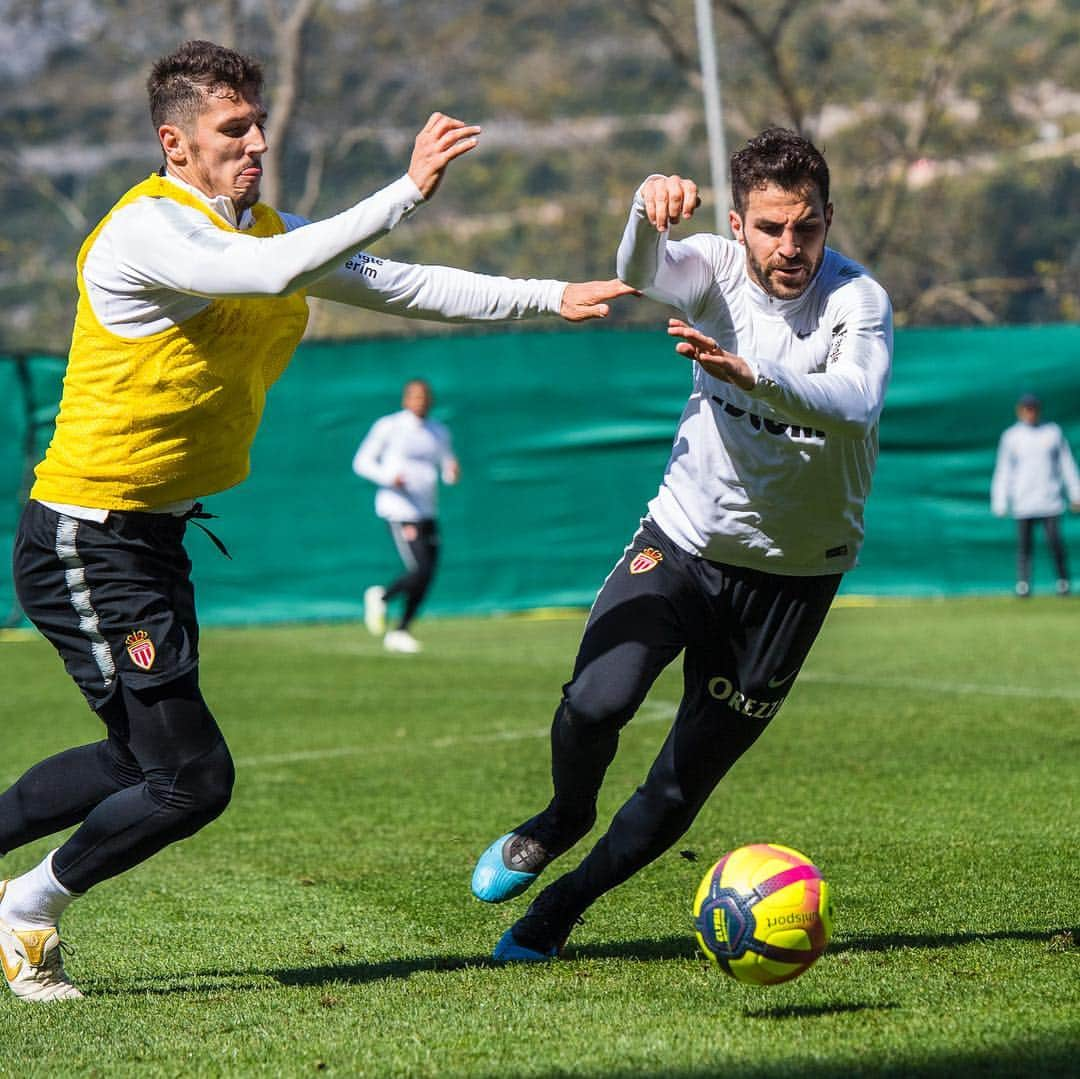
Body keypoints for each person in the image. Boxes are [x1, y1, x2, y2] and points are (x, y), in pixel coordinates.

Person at [1, 39, 635, 1001]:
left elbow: (401, 283)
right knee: (191, 781)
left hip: (148, 538)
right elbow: (273, 271)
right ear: (174, 142)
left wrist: (549, 295)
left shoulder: (260, 228)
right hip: (88, 537)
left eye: (257, 123)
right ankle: (27, 909)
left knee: (138, 759)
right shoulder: (147, 232)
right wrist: (406, 186)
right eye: (233, 128)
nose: (256, 140)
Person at [471, 128, 893, 961]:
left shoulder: (858, 299)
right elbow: (637, 271)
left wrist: (753, 376)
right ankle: (562, 817)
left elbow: (858, 399)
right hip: (685, 540)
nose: (790, 247)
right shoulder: (712, 267)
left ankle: (562, 906)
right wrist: (642, 207)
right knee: (596, 699)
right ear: (739, 225)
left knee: (679, 782)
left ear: (828, 219)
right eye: (771, 227)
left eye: (806, 227)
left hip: (793, 580)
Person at [354, 378, 459, 653]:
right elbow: (362, 462)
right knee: (420, 568)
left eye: (424, 397)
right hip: (399, 508)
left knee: (428, 572)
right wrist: (389, 477)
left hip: (427, 510)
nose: (420, 401)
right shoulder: (390, 426)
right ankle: (383, 597)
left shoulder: (438, 431)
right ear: (405, 399)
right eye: (414, 396)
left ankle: (400, 631)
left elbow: (446, 465)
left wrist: (451, 473)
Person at [991, 393, 1079, 597]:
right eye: (1026, 409)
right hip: (1023, 502)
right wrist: (1000, 500)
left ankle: (1063, 583)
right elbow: (1004, 470)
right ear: (1020, 411)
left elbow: (1066, 465)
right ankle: (1023, 585)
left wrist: (1076, 493)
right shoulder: (1011, 437)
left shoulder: (1052, 432)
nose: (1030, 413)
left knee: (1055, 543)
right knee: (1024, 547)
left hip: (1050, 500)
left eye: (1033, 408)